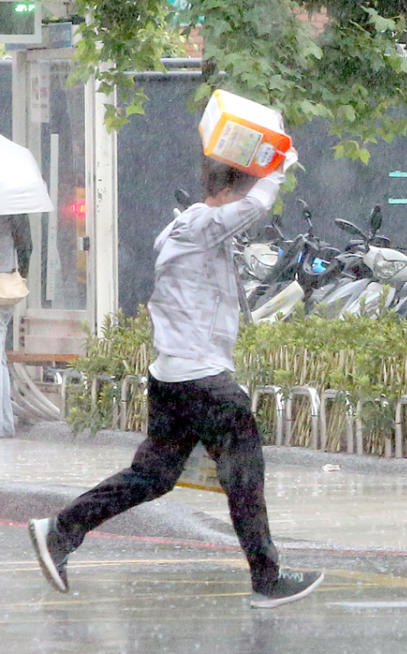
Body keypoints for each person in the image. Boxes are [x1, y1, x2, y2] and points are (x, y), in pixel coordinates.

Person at [28, 148, 324, 609]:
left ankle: (63, 530)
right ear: (232, 188)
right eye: (243, 188)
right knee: (244, 475)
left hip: (176, 376)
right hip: (200, 379)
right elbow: (254, 206)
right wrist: (278, 163)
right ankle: (267, 579)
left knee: (154, 475)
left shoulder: (187, 229)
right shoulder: (198, 226)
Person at [0, 213, 31, 437]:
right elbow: (26, 246)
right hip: (5, 284)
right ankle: (3, 423)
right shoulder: (13, 203)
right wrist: (22, 276)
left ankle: (3, 423)